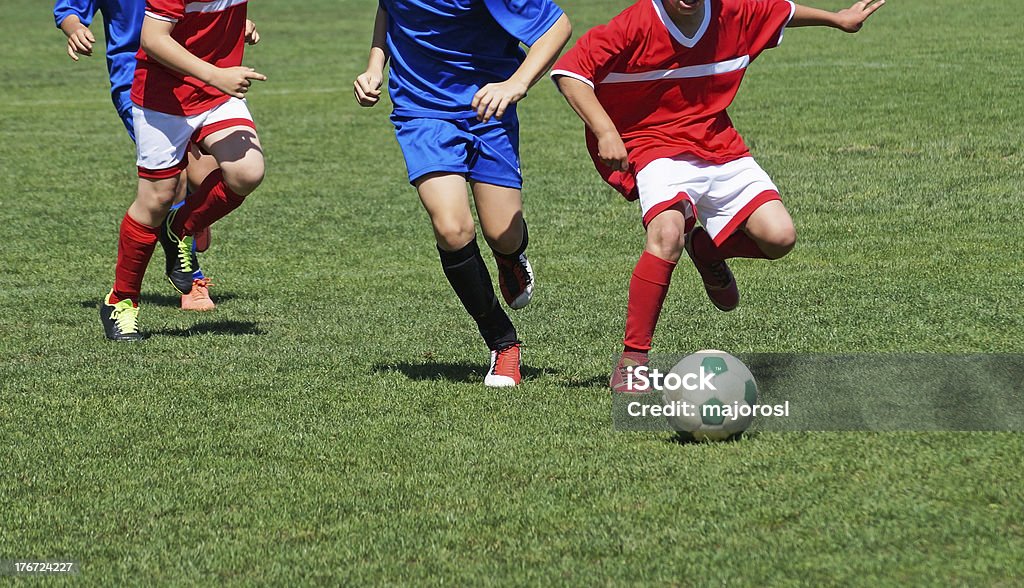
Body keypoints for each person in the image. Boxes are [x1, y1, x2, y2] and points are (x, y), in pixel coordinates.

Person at [550, 0, 885, 391]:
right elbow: (570, 71)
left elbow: (783, 12)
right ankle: (633, 359)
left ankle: (707, 249)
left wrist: (837, 19)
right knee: (667, 235)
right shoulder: (636, 24)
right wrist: (607, 131)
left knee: (780, 238)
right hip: (651, 144)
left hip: (718, 143)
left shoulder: (732, 12)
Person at [353, 1, 571, 387]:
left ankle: (510, 255)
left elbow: (557, 26)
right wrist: (374, 66)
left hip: (487, 107)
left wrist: (517, 83)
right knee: (452, 228)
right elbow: (389, 10)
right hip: (421, 110)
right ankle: (503, 344)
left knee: (502, 232)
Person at [98, 0, 266, 341]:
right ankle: (121, 302)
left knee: (247, 172)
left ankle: (179, 228)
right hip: (164, 99)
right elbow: (153, 39)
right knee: (155, 201)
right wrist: (216, 73)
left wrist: (237, 26)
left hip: (216, 95)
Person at [55, 0, 223, 311]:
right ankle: (191, 281)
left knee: (211, 171)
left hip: (190, 73)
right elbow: (68, 9)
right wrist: (75, 28)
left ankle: (187, 217)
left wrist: (240, 25)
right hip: (136, 82)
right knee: (172, 179)